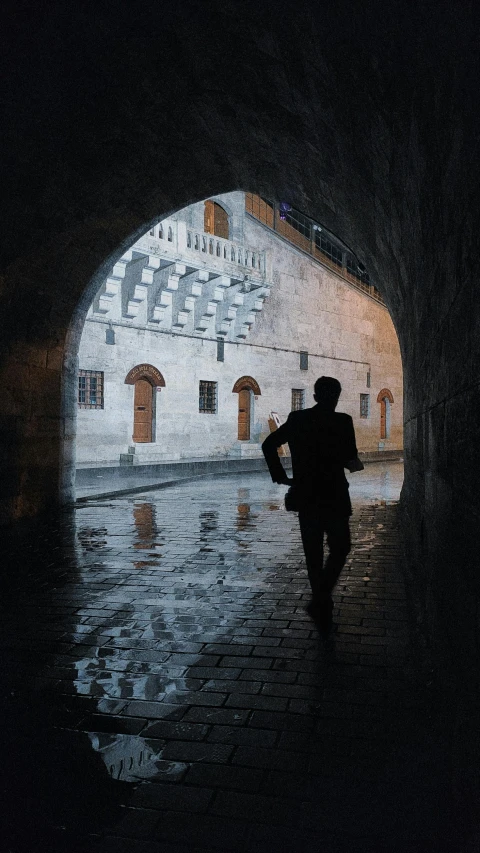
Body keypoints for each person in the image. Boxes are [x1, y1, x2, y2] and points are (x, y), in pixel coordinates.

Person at [262, 376, 363, 628]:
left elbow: (269, 444)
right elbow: (350, 459)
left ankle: (320, 598)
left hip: (306, 495)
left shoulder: (298, 420)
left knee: (313, 553)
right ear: (337, 397)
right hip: (335, 494)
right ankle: (322, 597)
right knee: (341, 547)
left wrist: (281, 477)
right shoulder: (343, 421)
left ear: (316, 396)